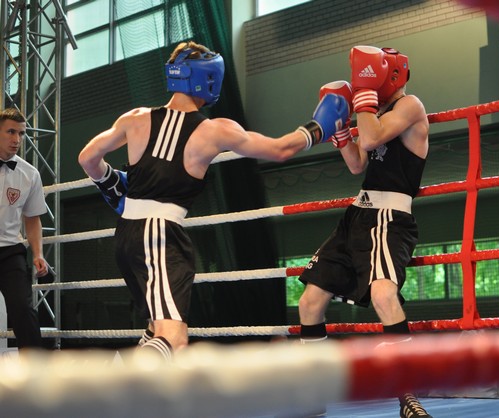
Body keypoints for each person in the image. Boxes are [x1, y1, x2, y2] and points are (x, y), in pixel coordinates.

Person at [78, 40, 349, 361]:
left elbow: (87, 158)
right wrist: (318, 128)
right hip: (159, 235)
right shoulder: (214, 130)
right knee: (174, 338)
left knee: (155, 328)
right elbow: (280, 149)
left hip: (127, 235)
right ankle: (116, 379)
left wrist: (111, 183)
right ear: (207, 77)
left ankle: (129, 381)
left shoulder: (135, 118)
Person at [297, 46, 431, 418]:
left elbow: (371, 140)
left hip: (390, 217)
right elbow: (358, 162)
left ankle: (408, 396)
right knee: (309, 302)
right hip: (357, 215)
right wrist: (341, 132)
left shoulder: (410, 106)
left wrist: (363, 101)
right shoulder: (375, 113)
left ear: (391, 75)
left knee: (384, 295)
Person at [0, 108, 47, 350]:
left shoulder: (30, 174)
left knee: (22, 308)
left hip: (10, 250)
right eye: (10, 132)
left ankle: (35, 368)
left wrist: (38, 253)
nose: (16, 139)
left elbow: (32, 217)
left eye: (21, 133)